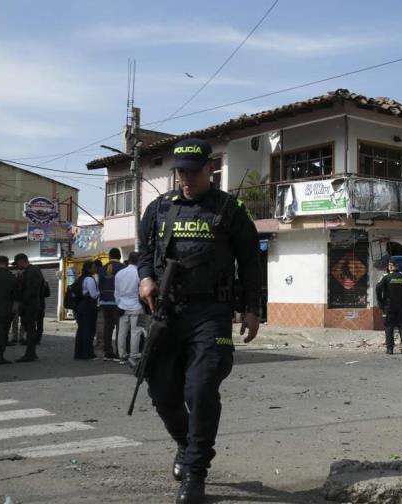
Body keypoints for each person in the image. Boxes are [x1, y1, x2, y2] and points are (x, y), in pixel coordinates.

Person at [137, 138, 261, 504]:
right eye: (180, 172)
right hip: (167, 313)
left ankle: (194, 473)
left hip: (212, 313)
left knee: (201, 388)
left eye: (193, 171)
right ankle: (186, 445)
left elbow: (251, 262)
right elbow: (144, 251)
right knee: (161, 392)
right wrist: (146, 277)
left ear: (211, 169)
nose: (185, 178)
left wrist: (252, 308)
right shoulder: (159, 208)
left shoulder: (230, 209)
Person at [376, 259, 402, 354]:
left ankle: (390, 349)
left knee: (389, 326)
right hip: (401, 305)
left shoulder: (386, 277)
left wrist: (380, 300)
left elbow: (378, 288)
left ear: (390, 266)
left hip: (388, 306)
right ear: (398, 266)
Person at [13, 253, 44, 362]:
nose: (17, 266)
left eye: (17, 264)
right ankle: (31, 353)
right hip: (30, 304)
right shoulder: (29, 271)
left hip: (30, 305)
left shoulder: (32, 270)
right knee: (29, 328)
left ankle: (30, 353)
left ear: (22, 261)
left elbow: (31, 289)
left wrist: (23, 302)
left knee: (30, 329)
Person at [115, 251, 143, 367]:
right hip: (136, 306)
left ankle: (122, 355)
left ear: (129, 260)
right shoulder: (139, 274)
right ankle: (134, 354)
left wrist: (118, 304)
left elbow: (116, 293)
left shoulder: (119, 274)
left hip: (122, 307)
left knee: (122, 332)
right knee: (135, 332)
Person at [98, 248, 126, 361]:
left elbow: (99, 285)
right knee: (120, 328)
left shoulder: (102, 269)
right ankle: (119, 352)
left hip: (104, 301)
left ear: (109, 256)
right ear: (119, 256)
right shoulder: (123, 268)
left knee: (108, 327)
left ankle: (108, 352)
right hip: (117, 302)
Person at [74, 261, 100, 360]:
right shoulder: (89, 279)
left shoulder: (81, 278)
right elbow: (93, 295)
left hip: (80, 308)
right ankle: (87, 353)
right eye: (93, 267)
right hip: (88, 308)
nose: (95, 269)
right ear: (89, 269)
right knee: (88, 331)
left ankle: (79, 353)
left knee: (81, 330)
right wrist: (100, 291)